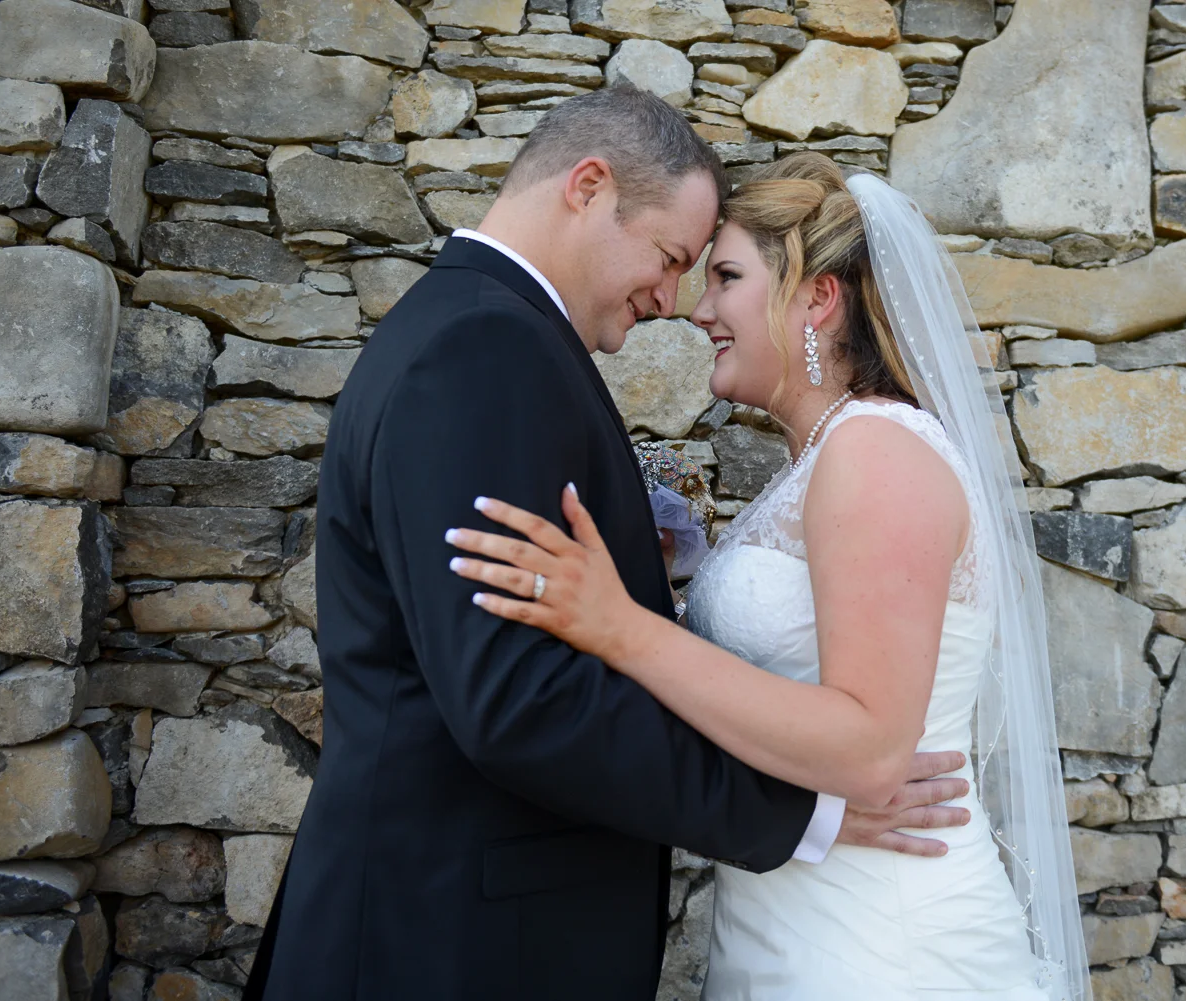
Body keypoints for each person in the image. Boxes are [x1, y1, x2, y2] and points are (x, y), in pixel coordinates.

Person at [242, 87, 977, 1001]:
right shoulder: (482, 347)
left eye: (714, 274)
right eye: (674, 258)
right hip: (450, 942)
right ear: (588, 187)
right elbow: (519, 696)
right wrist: (800, 814)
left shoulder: (480, 332)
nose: (676, 301)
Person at [448, 153, 1093, 1000]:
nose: (699, 308)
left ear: (817, 299)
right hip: (791, 926)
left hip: (881, 949)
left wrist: (622, 625)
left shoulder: (877, 452)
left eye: (725, 277)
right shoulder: (822, 461)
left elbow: (868, 748)